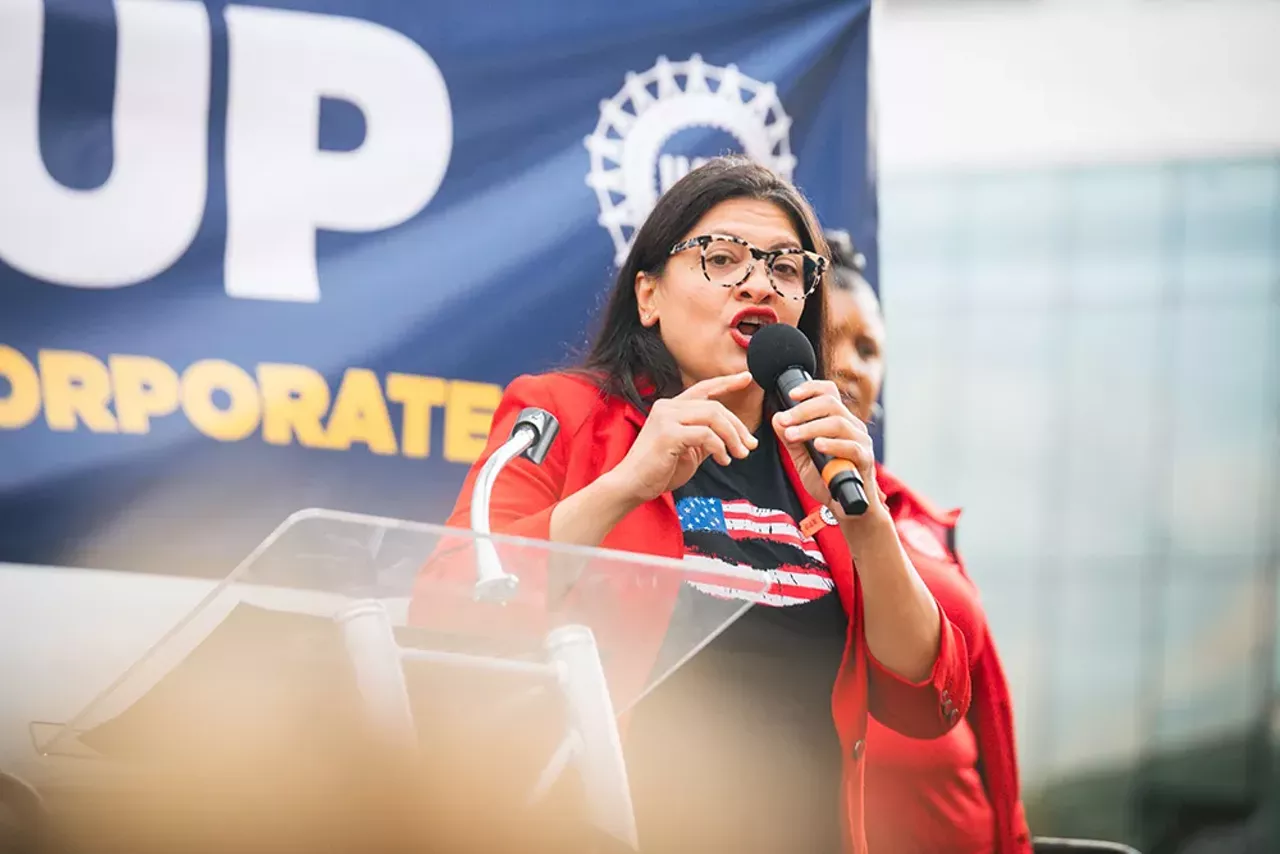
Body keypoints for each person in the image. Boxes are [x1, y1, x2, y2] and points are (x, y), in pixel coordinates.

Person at [411, 157, 971, 854]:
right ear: (648, 295)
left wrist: (867, 522)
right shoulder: (565, 414)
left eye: (786, 268)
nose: (760, 282)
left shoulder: (822, 461)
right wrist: (627, 484)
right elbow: (448, 604)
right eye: (723, 258)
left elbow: (928, 700)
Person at [824, 230, 1033, 854]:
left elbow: (989, 715)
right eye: (828, 339)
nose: (851, 366)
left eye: (867, 349)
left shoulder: (919, 517)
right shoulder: (745, 503)